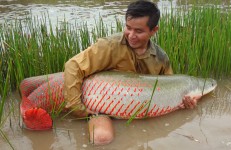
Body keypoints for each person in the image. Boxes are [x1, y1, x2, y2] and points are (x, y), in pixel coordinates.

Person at [64, 0, 197, 145]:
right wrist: (77, 107)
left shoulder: (161, 58)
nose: (131, 35)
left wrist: (184, 102)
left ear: (153, 30)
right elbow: (73, 66)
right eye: (128, 28)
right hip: (100, 108)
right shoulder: (110, 45)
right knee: (101, 138)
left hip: (139, 109)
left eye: (139, 31)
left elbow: (170, 88)